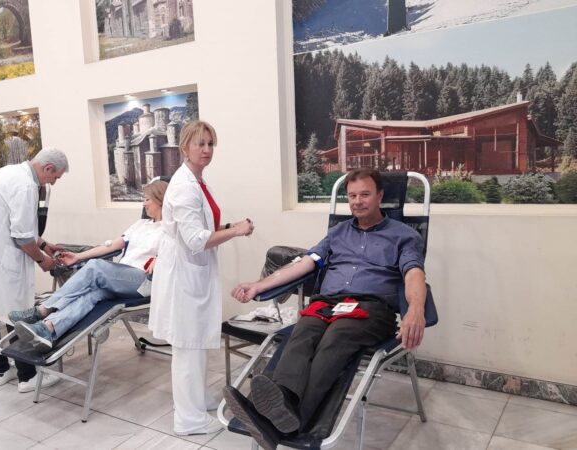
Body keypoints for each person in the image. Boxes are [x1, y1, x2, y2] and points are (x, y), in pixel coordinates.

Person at [223, 168, 427, 450]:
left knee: (336, 337)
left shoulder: (404, 235)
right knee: (303, 332)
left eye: (365, 194)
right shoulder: (337, 233)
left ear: (380, 196)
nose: (357, 201)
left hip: (371, 309)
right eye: (352, 196)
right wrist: (259, 285)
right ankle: (282, 401)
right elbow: (305, 263)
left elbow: (414, 273)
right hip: (327, 305)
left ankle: (296, 418)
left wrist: (415, 309)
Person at [149, 121, 255, 436]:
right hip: (183, 276)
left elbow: (199, 229)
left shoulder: (197, 181)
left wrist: (229, 226)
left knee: (195, 344)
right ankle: (188, 419)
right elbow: (195, 240)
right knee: (187, 347)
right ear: (185, 147)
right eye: (200, 144)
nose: (207, 150)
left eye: (210, 144)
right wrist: (236, 232)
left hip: (191, 271)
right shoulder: (184, 186)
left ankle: (198, 400)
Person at [10, 180, 168, 352]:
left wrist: (161, 259)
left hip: (144, 281)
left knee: (95, 267)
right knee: (91, 294)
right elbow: (111, 246)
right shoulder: (140, 225)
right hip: (121, 279)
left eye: (147, 199)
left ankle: (43, 310)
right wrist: (77, 257)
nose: (144, 204)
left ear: (160, 200)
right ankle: (49, 329)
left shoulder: (170, 229)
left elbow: (179, 254)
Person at [0, 148, 68, 394]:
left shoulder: (6, 173)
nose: (53, 182)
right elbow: (21, 237)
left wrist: (44, 244)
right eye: (55, 177)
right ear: (48, 168)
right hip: (0, 256)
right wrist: (43, 260)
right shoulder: (26, 186)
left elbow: (17, 225)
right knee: (17, 313)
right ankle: (27, 376)